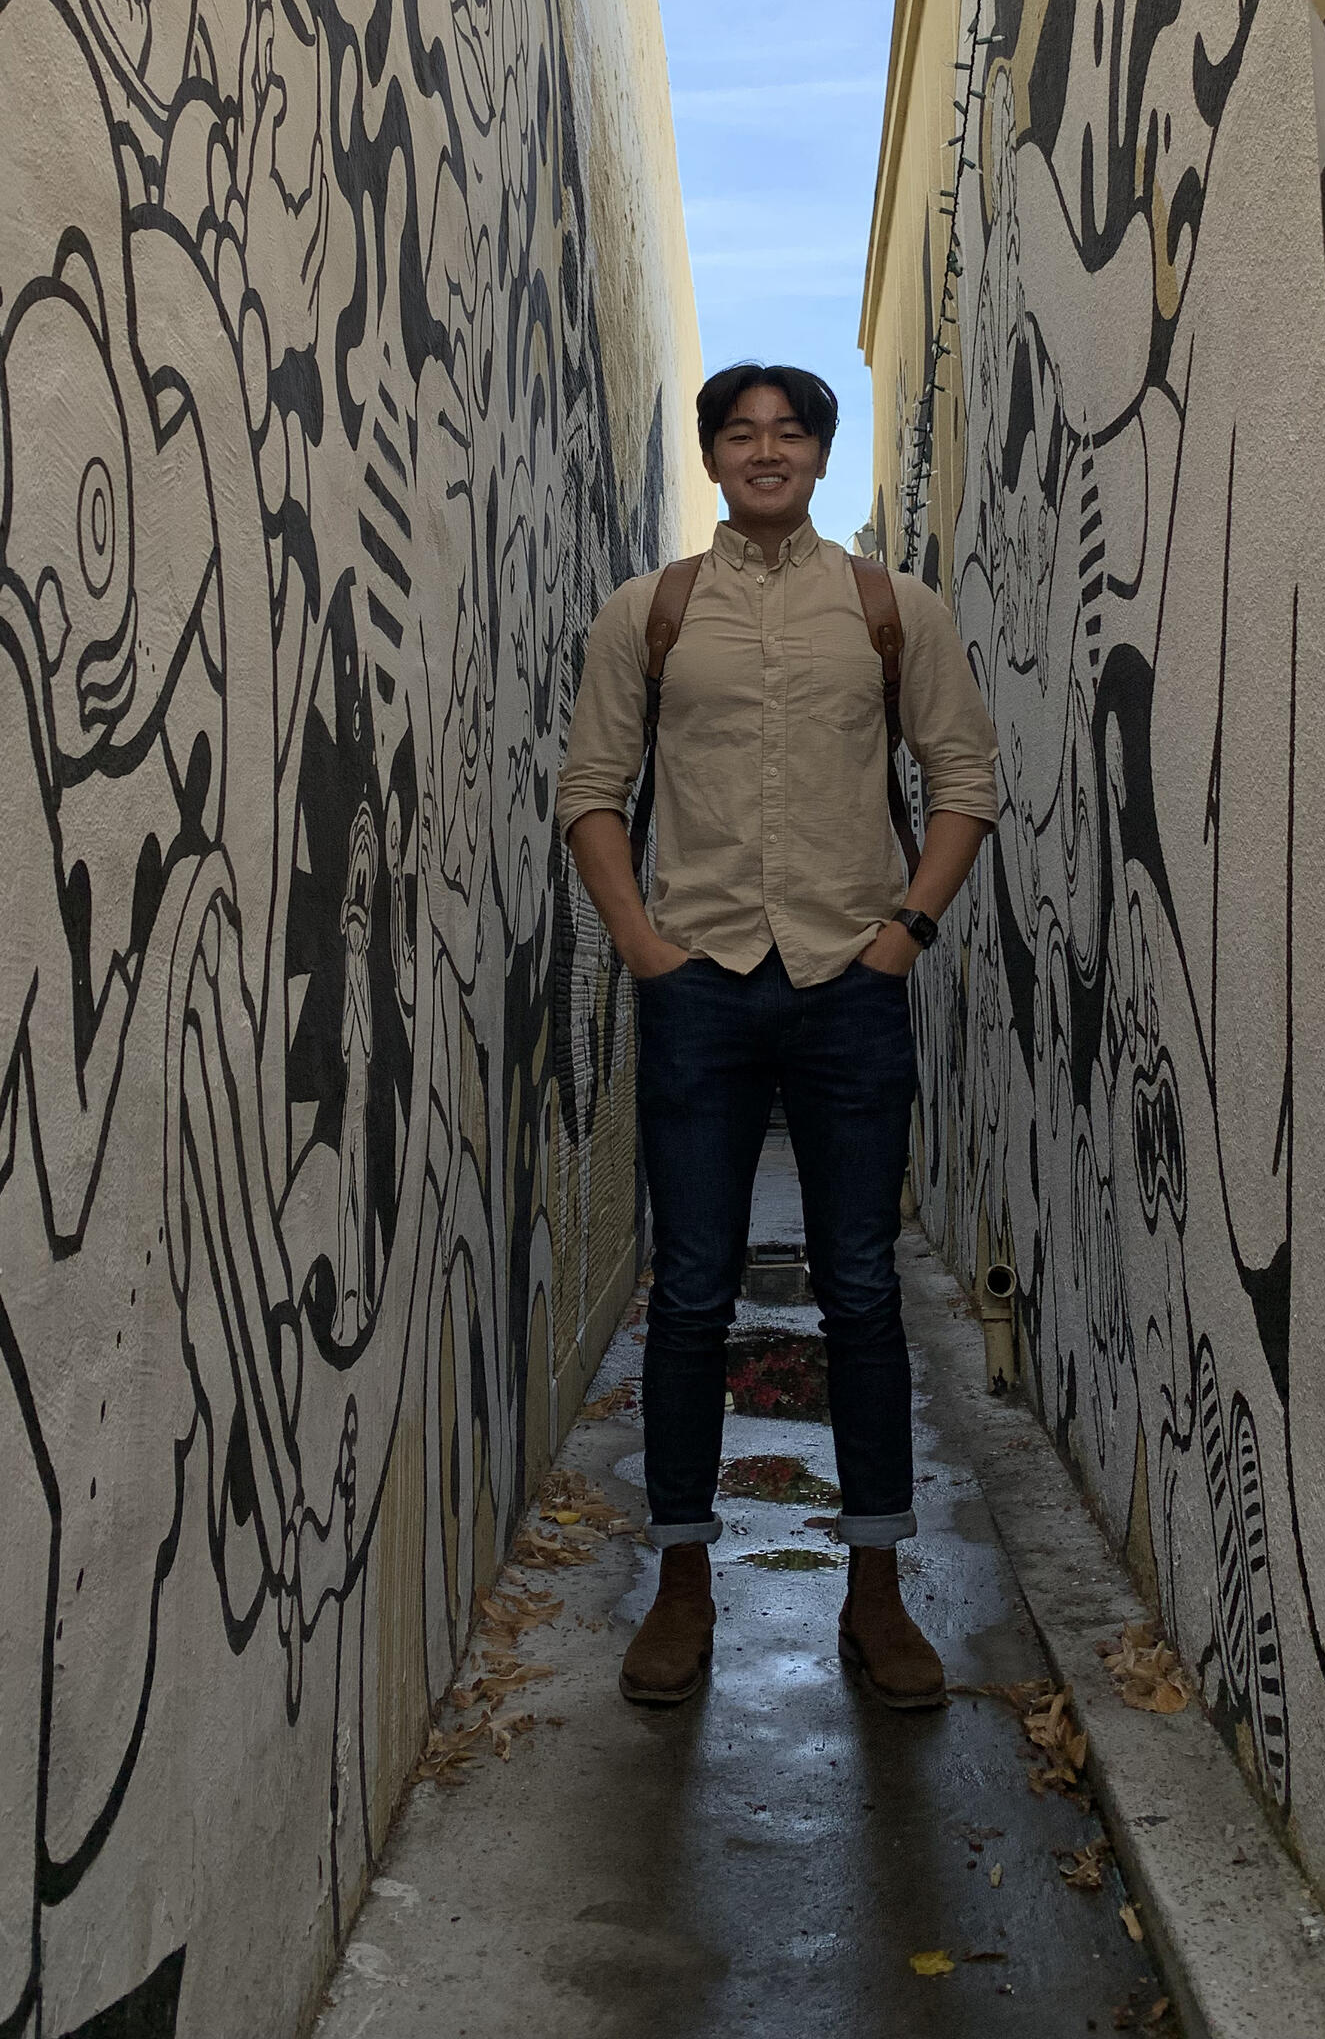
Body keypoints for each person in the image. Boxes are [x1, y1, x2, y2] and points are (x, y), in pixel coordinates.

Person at [557, 363, 998, 1710]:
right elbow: (590, 790)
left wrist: (901, 935)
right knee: (689, 1292)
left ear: (818, 454)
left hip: (847, 988)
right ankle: (681, 1583)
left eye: (787, 433)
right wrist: (643, 947)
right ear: (712, 459)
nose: (765, 452)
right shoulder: (650, 614)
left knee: (857, 1291)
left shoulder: (887, 609)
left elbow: (962, 780)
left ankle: (875, 1592)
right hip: (698, 991)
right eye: (739, 434)